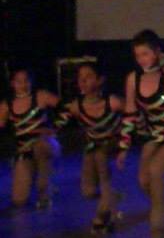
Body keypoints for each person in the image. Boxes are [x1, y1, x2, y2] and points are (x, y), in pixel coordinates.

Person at [116, 29, 164, 238]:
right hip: (157, 135)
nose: (141, 59)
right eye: (137, 55)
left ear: (158, 53)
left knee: (156, 169)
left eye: (146, 54)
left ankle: (159, 230)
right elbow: (130, 113)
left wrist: (163, 60)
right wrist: (123, 146)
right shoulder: (133, 79)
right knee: (144, 181)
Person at [54, 63, 123, 232]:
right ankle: (110, 197)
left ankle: (102, 217)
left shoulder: (112, 102)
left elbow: (133, 114)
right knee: (88, 192)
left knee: (102, 167)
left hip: (111, 146)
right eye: (80, 77)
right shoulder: (76, 106)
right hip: (92, 148)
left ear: (100, 80)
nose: (83, 80)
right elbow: (58, 124)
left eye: (88, 76)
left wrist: (125, 140)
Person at [0, 68, 61, 209]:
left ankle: (45, 188)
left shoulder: (41, 96)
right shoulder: (6, 105)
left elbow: (68, 109)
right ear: (12, 83)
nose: (23, 85)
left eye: (26, 81)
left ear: (31, 81)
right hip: (25, 151)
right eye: (19, 81)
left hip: (46, 145)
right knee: (19, 200)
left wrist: (55, 128)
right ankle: (32, 175)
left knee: (40, 146)